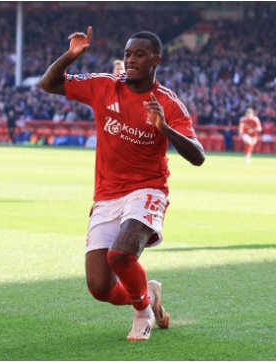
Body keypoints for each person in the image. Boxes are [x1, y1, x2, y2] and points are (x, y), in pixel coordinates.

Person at [39, 26, 205, 341]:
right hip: (106, 195)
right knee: (100, 287)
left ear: (157, 60)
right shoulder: (104, 86)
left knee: (121, 256)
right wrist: (71, 56)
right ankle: (148, 295)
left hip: (147, 189)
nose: (130, 60)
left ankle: (142, 314)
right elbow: (48, 84)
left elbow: (198, 156)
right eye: (127, 54)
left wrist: (165, 128)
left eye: (139, 55)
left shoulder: (167, 103)